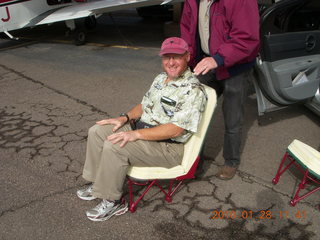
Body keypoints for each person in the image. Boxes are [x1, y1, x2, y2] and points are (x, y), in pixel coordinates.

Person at [77, 37, 207, 221]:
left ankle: (113, 202)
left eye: (176, 57)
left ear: (187, 56)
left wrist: (135, 134)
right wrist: (124, 118)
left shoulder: (193, 89)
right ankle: (98, 182)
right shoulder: (161, 78)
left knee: (115, 146)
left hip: (167, 147)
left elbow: (175, 130)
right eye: (166, 57)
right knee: (97, 132)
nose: (171, 62)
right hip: (144, 131)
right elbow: (145, 105)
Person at [180, 0, 260, 180]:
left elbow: (247, 37)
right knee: (196, 113)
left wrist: (219, 58)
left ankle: (231, 161)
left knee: (233, 117)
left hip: (235, 66)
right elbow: (187, 29)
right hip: (206, 62)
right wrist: (185, 56)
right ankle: (195, 161)